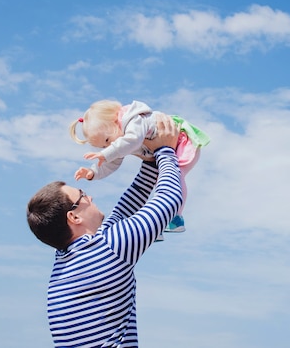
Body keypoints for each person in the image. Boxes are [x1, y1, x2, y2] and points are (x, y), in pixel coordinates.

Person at [27, 115, 183, 348]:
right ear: (74, 217)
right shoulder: (109, 249)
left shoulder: (69, 260)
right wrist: (165, 151)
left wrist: (149, 162)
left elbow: (125, 209)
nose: (90, 196)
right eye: (82, 196)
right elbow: (169, 199)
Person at [69, 99, 209, 233]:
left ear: (115, 121)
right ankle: (158, 225)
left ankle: (176, 217)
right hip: (163, 152)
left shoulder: (133, 120)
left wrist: (106, 153)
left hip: (181, 143)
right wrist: (93, 172)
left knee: (175, 177)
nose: (109, 146)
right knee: (157, 181)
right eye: (104, 146)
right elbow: (111, 162)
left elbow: (133, 140)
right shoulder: (118, 140)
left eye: (107, 140)